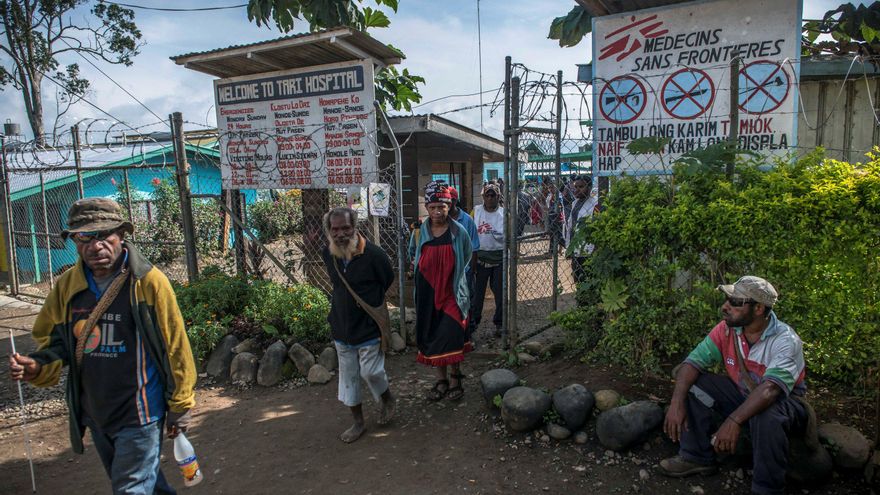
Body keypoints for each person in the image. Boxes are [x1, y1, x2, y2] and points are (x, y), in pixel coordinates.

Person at [8, 197, 196, 494]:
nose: (95, 246)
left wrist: (181, 403)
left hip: (140, 412)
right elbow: (56, 341)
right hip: (96, 411)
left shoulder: (147, 282)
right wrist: (38, 365)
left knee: (131, 487)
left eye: (104, 235)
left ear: (121, 234)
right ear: (74, 241)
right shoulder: (68, 286)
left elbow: (175, 346)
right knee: (145, 483)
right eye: (84, 237)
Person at [660, 276, 807, 495]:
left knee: (767, 414)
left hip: (785, 405)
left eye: (735, 302)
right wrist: (676, 402)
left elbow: (770, 390)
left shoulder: (785, 340)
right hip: (743, 395)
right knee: (693, 382)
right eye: (727, 299)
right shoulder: (727, 330)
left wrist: (734, 421)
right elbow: (692, 363)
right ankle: (696, 457)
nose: (725, 306)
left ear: (759, 308)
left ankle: (767, 488)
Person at [322, 207, 396, 443]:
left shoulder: (374, 255)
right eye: (335, 229)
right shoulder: (328, 254)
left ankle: (386, 398)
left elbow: (387, 278)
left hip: (368, 326)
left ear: (354, 227)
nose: (340, 234)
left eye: (345, 228)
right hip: (341, 326)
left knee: (371, 372)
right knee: (348, 379)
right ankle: (358, 423)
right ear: (329, 231)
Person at [408, 181, 472, 401]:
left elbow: (467, 254)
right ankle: (441, 380)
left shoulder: (458, 231)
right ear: (427, 207)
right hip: (427, 292)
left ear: (449, 206)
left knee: (452, 334)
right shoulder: (419, 232)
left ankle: (455, 377)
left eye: (442, 207)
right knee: (434, 334)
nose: (437, 211)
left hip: (451, 292)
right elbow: (413, 253)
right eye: (433, 207)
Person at [471, 183, 505, 338]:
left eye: (493, 195)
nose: (490, 198)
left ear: (498, 197)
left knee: (500, 293)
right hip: (480, 259)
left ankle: (500, 323)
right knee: (478, 294)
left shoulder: (504, 214)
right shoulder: (476, 212)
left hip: (499, 258)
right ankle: (473, 323)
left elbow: (510, 235)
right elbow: (470, 231)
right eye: (487, 195)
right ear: (483, 197)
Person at [564, 175, 598, 285]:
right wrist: (568, 247)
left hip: (587, 250)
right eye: (575, 187)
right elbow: (570, 227)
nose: (577, 190)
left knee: (587, 280)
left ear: (589, 187)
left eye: (581, 187)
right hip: (575, 248)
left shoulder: (595, 204)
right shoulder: (575, 203)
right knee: (577, 279)